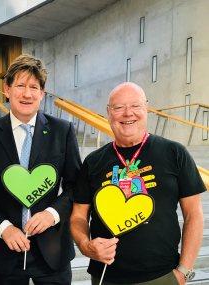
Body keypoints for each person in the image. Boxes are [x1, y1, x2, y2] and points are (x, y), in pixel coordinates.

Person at [70, 82, 205, 285]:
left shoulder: (175, 153)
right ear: (108, 112)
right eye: (118, 107)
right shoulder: (93, 161)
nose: (127, 113)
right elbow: (79, 215)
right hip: (106, 276)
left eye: (135, 105)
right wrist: (85, 245)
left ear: (146, 108)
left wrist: (184, 271)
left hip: (163, 276)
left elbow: (193, 214)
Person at [0, 54, 81, 284]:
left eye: (33, 87)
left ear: (42, 93)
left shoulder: (63, 131)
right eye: (20, 85)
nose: (27, 94)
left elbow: (75, 186)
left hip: (52, 251)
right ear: (7, 90)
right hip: (4, 251)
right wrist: (4, 227)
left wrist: (52, 214)